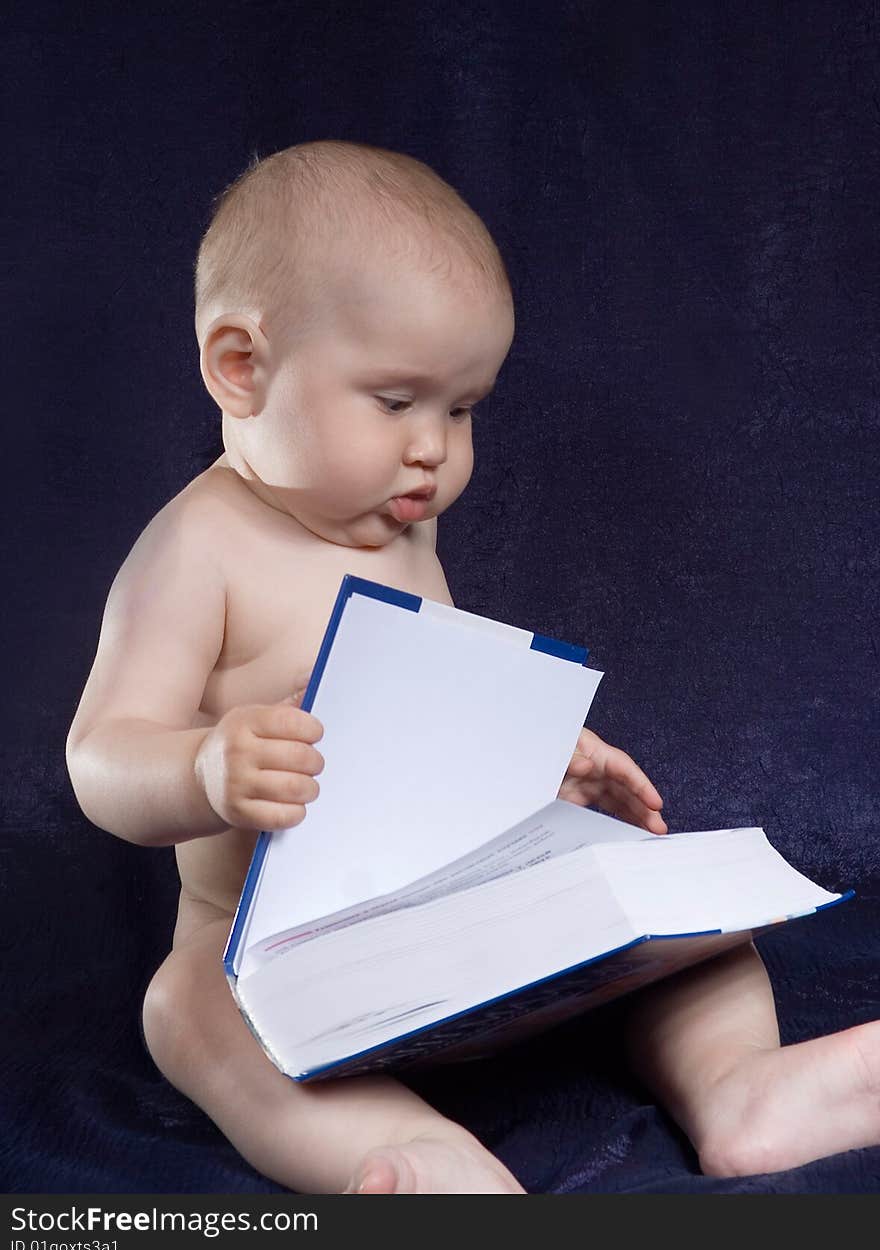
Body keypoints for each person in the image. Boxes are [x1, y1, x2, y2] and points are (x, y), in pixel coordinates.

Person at [65, 140, 879, 1194]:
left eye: (462, 410)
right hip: (272, 956)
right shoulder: (196, 550)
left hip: (449, 937)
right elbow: (99, 757)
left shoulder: (395, 525)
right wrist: (205, 770)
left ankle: (744, 1090)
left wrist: (544, 765)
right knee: (184, 1007)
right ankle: (413, 1157)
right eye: (396, 401)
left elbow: (430, 720)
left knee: (674, 909)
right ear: (241, 366)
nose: (433, 451)